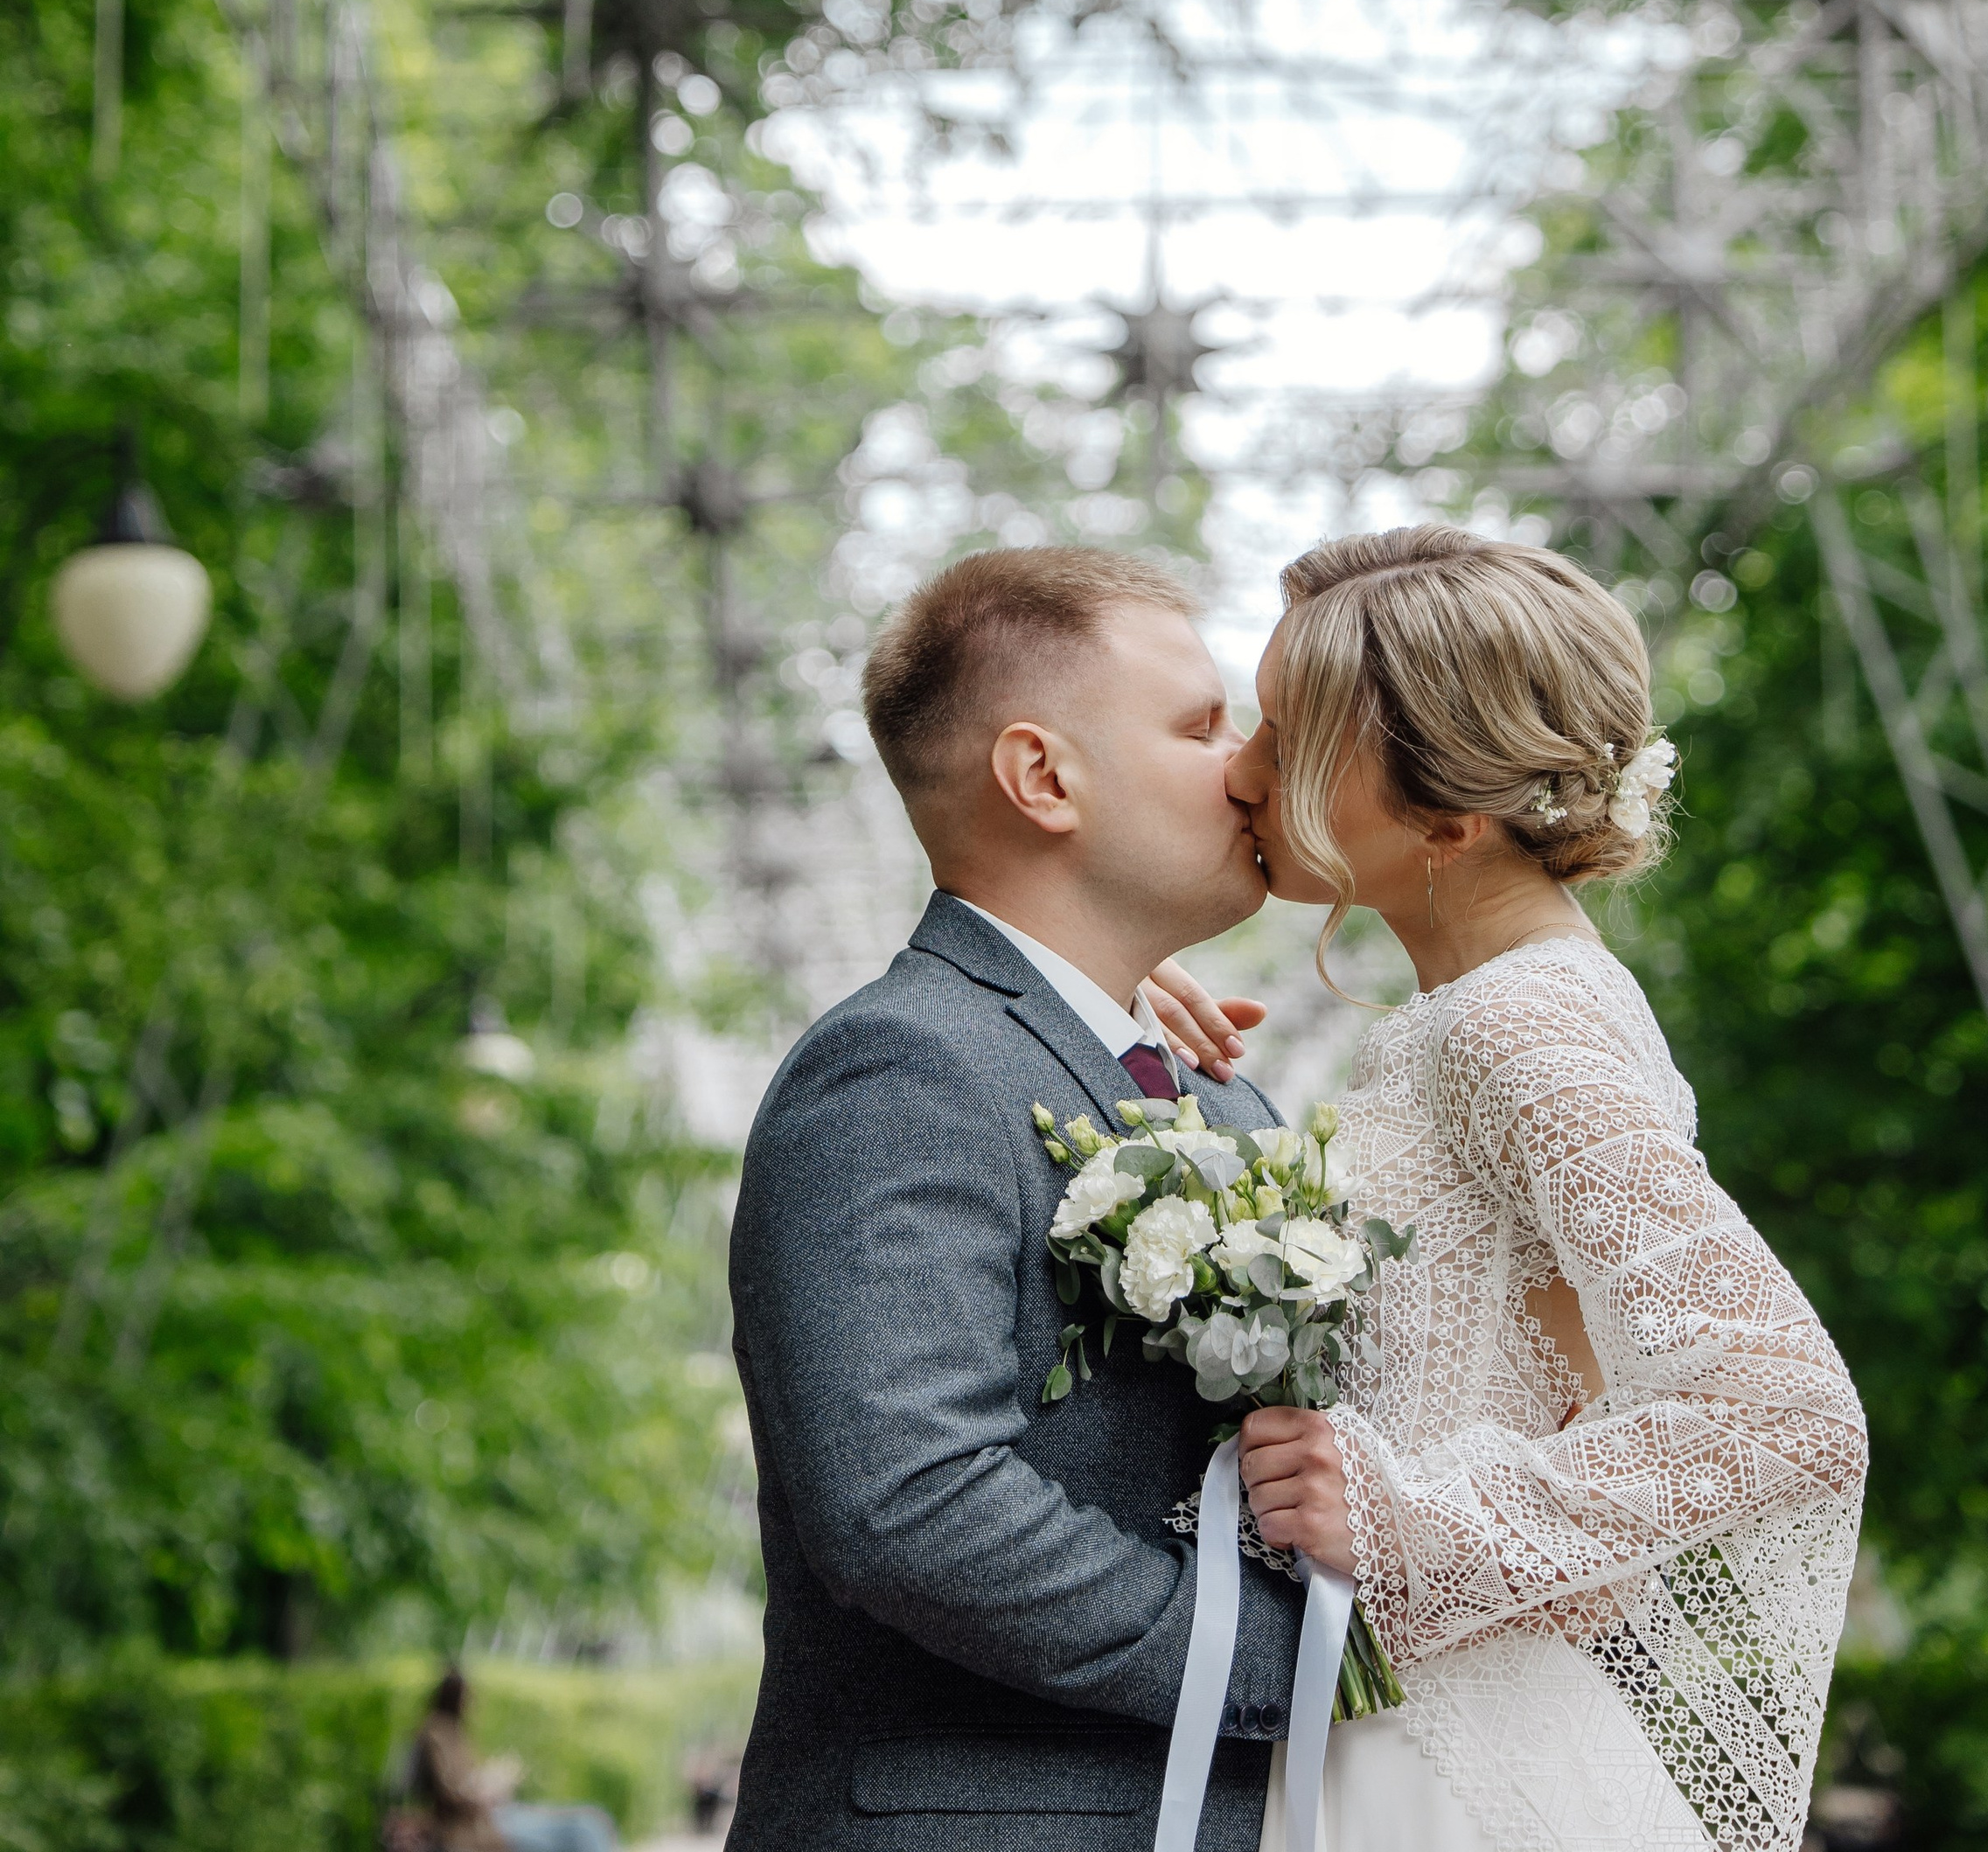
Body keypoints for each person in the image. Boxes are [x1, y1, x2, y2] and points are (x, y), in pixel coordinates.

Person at [1226, 528, 1868, 1852]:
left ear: (1448, 817)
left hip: (1448, 1762)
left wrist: (1409, 1521)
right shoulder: (1496, 1007)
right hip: (1399, 1721)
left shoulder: (1517, 1023)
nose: (1241, 771)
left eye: (1287, 740)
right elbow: (1563, 1375)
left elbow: (1786, 1410)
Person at [725, 545, 1307, 1849]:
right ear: (1043, 776)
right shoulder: (899, 1067)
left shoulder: (1218, 1097)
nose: (1250, 767)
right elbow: (909, 1498)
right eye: (1202, 726)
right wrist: (1289, 1662)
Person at [403, 1671, 618, 1852]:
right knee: (583, 1829)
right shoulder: (436, 1734)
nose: (472, 1703)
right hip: (480, 1825)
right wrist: (486, 1790)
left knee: (593, 1820)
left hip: (497, 1814)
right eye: (468, 1696)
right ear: (455, 1695)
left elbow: (466, 1778)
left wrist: (495, 1779)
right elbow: (453, 1793)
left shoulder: (455, 1731)